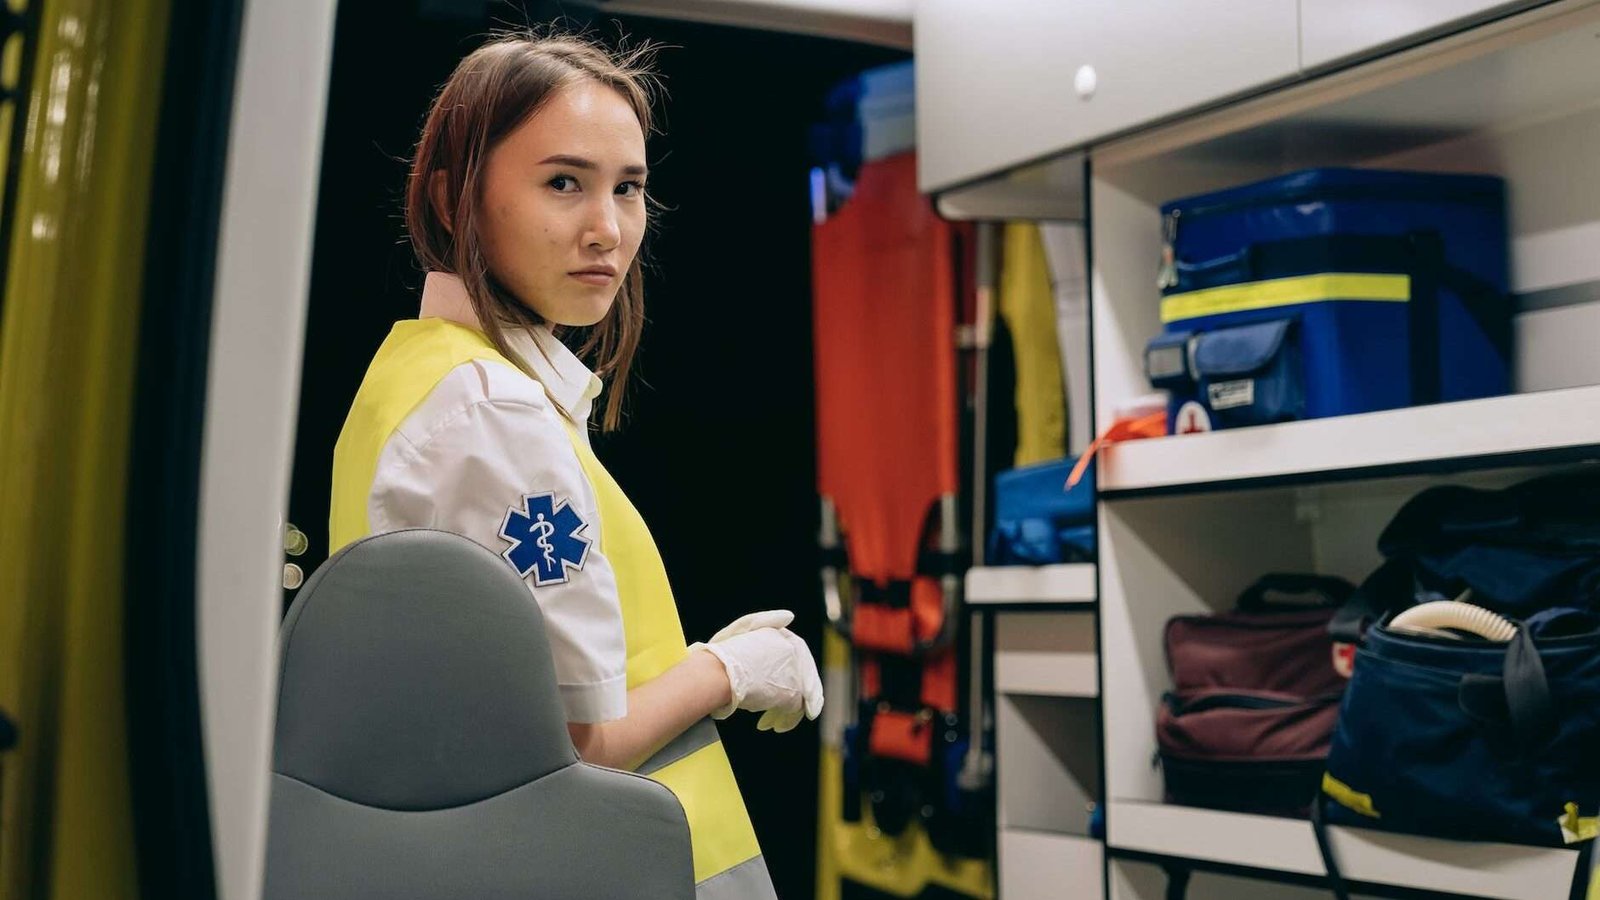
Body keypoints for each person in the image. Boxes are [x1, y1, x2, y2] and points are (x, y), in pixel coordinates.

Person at [327, 32, 821, 899]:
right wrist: (728, 671)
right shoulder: (495, 411)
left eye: (628, 188)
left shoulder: (413, 377)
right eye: (564, 183)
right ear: (454, 200)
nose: (608, 228)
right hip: (632, 868)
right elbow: (573, 743)